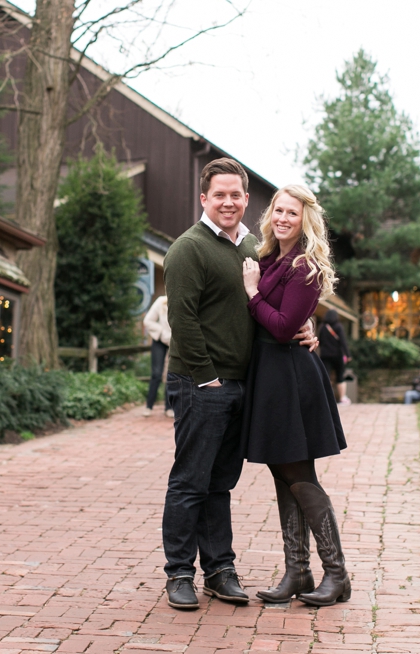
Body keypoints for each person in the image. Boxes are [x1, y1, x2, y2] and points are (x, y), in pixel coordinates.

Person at [162, 159, 318, 610]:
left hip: (244, 384)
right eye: (219, 195)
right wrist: (207, 377)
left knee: (220, 483)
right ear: (204, 199)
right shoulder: (187, 249)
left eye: (236, 195)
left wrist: (308, 325)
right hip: (201, 383)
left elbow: (280, 302)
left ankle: (219, 570)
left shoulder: (255, 246)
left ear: (247, 200)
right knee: (190, 481)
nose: (228, 202)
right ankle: (178, 573)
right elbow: (183, 320)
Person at [241, 184, 350, 607]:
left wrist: (251, 293)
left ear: (306, 220)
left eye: (293, 212)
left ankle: (336, 573)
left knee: (301, 477)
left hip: (290, 376)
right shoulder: (268, 259)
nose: (284, 218)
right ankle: (298, 571)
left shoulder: (304, 265)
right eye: (280, 210)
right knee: (283, 475)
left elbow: (284, 325)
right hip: (269, 376)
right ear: (272, 214)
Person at [142, 295, 173, 418]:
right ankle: (149, 406)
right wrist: (162, 333)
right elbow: (147, 321)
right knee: (156, 373)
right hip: (159, 341)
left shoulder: (182, 301)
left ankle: (169, 407)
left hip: (174, 342)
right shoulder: (161, 302)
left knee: (171, 373)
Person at [317, 309, 350, 404]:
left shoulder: (322, 327)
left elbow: (320, 341)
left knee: (326, 377)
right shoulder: (339, 327)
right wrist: (348, 355)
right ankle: (343, 398)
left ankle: (326, 399)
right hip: (337, 355)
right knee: (340, 376)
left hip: (325, 355)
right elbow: (343, 342)